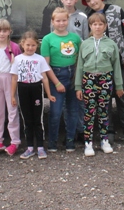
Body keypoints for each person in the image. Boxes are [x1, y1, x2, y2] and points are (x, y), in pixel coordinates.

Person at [81, 0, 124, 145]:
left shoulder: (116, 10)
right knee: (104, 100)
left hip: (119, 62)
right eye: (88, 0)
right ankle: (109, 131)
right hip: (100, 66)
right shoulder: (88, 16)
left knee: (122, 96)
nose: (92, 2)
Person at [75, 13, 124, 157]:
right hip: (88, 79)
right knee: (89, 112)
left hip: (105, 79)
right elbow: (80, 66)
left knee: (103, 111)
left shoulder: (111, 44)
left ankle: (104, 140)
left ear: (105, 26)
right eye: (94, 24)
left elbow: (116, 66)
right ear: (90, 26)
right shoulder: (85, 44)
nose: (97, 27)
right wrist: (78, 86)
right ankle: (88, 142)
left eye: (100, 24)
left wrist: (119, 85)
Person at [10, 31, 56, 160]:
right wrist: (12, 96)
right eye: (28, 45)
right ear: (22, 44)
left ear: (37, 45)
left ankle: (40, 147)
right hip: (23, 89)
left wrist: (49, 94)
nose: (30, 48)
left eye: (33, 45)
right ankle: (30, 147)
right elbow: (14, 78)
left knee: (38, 119)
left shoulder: (40, 59)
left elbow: (45, 78)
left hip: (36, 88)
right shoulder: (17, 59)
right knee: (27, 120)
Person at [41, 8, 81, 152]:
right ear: (53, 21)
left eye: (64, 20)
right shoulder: (47, 39)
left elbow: (80, 60)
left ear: (68, 21)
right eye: (58, 20)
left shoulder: (75, 38)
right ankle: (52, 142)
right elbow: (45, 65)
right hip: (56, 75)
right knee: (56, 112)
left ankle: (70, 140)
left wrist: (78, 81)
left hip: (73, 75)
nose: (61, 23)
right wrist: (56, 83)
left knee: (72, 111)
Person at [55, 0, 89, 142]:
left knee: (79, 98)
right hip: (62, 64)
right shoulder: (56, 16)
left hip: (78, 63)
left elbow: (86, 41)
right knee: (64, 101)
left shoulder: (82, 17)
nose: (68, 1)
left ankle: (81, 130)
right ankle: (70, 132)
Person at [0, 18, 21, 157]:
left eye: (5, 31)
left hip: (10, 79)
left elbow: (19, 65)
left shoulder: (14, 47)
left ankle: (15, 141)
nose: (1, 33)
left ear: (9, 32)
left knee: (12, 110)